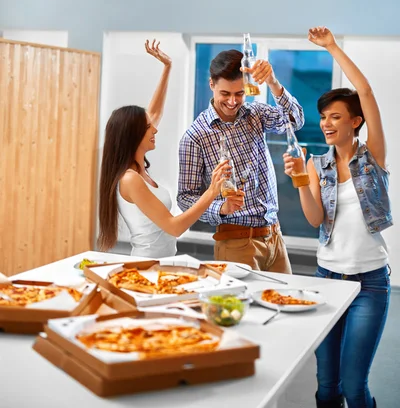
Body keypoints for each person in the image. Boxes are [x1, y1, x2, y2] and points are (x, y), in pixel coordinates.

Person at [283, 27, 392, 408]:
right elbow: (315, 220)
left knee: (352, 385)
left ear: (355, 122)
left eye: (335, 117)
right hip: (327, 279)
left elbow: (366, 93)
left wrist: (331, 47)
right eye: (323, 117)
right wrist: (299, 179)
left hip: (370, 286)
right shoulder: (317, 164)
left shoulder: (372, 156)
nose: (326, 123)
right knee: (326, 386)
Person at [98, 40, 230, 258]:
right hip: (145, 266)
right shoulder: (130, 179)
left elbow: (155, 113)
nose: (155, 130)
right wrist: (211, 192)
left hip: (162, 264)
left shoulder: (138, 171)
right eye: (149, 128)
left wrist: (168, 67)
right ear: (133, 135)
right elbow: (175, 227)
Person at [177, 48, 305, 272]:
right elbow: (185, 198)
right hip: (235, 242)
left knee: (285, 302)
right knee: (242, 308)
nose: (233, 101)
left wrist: (273, 82)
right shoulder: (195, 136)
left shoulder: (255, 114)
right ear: (211, 85)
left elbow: (295, 121)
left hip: (275, 237)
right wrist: (222, 208)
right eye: (225, 93)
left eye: (239, 93)